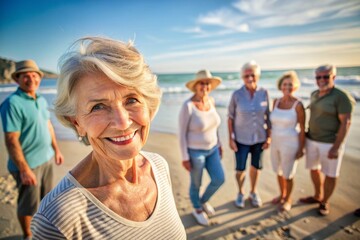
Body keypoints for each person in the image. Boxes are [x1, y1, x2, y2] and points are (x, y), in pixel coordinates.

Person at [30, 37, 186, 239]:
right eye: (98, 107)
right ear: (77, 123)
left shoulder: (159, 167)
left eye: (131, 100)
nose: (122, 123)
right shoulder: (57, 220)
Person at [0, 60, 64, 239]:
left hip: (47, 159)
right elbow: (11, 140)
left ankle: (44, 228)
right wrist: (24, 169)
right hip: (28, 165)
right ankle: (28, 235)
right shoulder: (12, 104)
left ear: (39, 78)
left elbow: (48, 126)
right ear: (17, 79)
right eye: (26, 75)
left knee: (47, 198)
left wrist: (56, 150)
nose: (31, 79)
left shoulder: (41, 100)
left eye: (34, 75)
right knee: (27, 204)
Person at [300, 64, 355, 216]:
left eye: (326, 76)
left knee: (330, 173)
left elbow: (346, 122)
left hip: (331, 143)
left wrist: (336, 147)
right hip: (312, 140)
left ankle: (325, 201)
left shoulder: (341, 97)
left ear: (333, 77)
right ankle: (318, 195)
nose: (322, 80)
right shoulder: (314, 94)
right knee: (314, 169)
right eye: (318, 77)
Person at [179, 69, 225, 226]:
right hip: (195, 152)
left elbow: (215, 126)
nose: (204, 86)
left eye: (207, 83)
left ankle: (203, 201)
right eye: (201, 83)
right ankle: (197, 208)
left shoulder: (211, 101)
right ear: (195, 86)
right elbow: (181, 133)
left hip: (213, 150)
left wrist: (219, 144)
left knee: (219, 179)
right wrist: (185, 157)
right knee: (196, 183)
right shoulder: (188, 106)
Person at [228, 61, 271, 208]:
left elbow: (268, 116)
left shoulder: (264, 93)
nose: (250, 78)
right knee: (240, 169)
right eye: (246, 75)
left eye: (252, 75)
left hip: (259, 138)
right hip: (241, 139)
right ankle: (240, 192)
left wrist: (269, 136)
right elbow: (230, 117)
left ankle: (253, 191)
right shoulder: (237, 94)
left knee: (256, 167)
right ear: (242, 77)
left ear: (257, 76)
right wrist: (231, 139)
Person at [270, 71, 305, 212]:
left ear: (295, 86)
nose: (287, 87)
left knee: (288, 173)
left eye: (290, 84)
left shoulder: (298, 105)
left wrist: (301, 148)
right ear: (281, 86)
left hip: (291, 143)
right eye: (285, 84)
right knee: (278, 171)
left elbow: (303, 128)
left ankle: (288, 199)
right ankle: (282, 194)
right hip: (275, 142)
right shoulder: (276, 102)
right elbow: (272, 123)